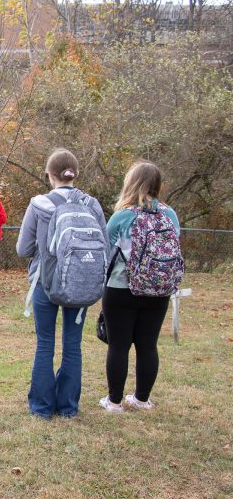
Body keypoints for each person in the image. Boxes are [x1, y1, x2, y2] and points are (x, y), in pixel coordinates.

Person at [16, 148, 107, 418]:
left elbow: (22, 249)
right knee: (72, 344)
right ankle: (68, 407)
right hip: (81, 283)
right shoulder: (92, 205)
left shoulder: (39, 205)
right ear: (75, 174)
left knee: (45, 342)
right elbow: (106, 245)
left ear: (49, 174)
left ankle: (42, 407)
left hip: (46, 282)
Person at [99, 162, 181, 413]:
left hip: (121, 287)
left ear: (131, 183)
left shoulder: (123, 216)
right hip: (159, 289)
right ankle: (142, 399)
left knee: (119, 344)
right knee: (148, 344)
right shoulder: (170, 215)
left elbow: (106, 248)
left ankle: (114, 402)